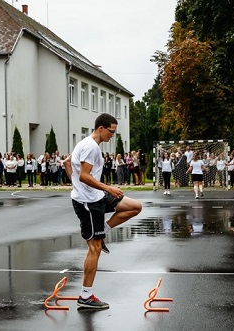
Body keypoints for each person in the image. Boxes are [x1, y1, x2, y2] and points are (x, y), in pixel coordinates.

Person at [63, 113, 142, 309]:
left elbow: (67, 162)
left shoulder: (85, 143)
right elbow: (84, 176)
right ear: (101, 128)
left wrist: (78, 186)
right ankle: (85, 296)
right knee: (95, 249)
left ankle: (103, 230)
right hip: (89, 204)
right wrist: (109, 188)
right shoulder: (90, 147)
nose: (112, 136)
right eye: (111, 131)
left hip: (96, 197)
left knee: (135, 207)